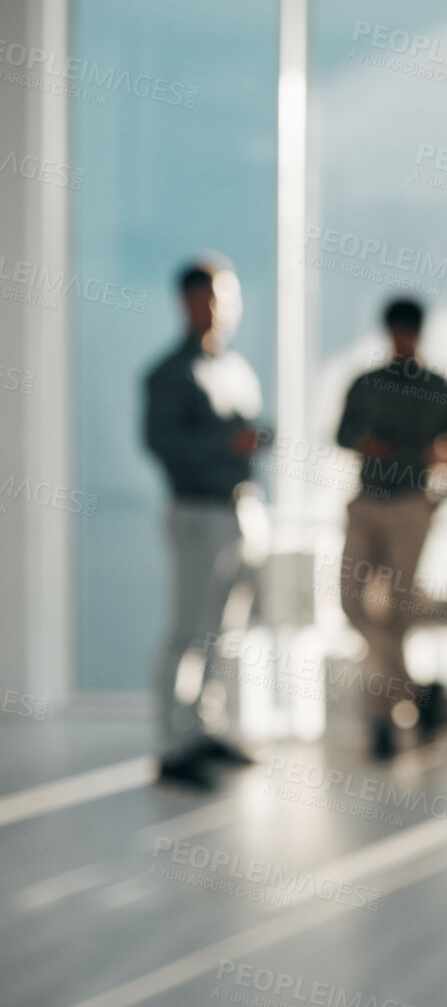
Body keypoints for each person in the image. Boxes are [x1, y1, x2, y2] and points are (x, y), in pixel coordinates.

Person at [142, 257, 266, 791]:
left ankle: (204, 727)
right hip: (197, 512)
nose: (217, 311)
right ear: (187, 303)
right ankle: (172, 746)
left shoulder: (234, 368)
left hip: (240, 507)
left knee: (226, 631)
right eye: (207, 299)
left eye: (225, 300)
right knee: (188, 631)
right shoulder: (169, 374)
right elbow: (163, 445)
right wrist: (225, 444)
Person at [335, 297, 447, 761]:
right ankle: (415, 694)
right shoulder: (366, 383)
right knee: (353, 603)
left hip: (412, 504)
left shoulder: (439, 387)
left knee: (396, 612)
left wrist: (438, 490)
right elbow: (341, 433)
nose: (402, 340)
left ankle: (384, 721)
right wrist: (365, 442)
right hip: (368, 501)